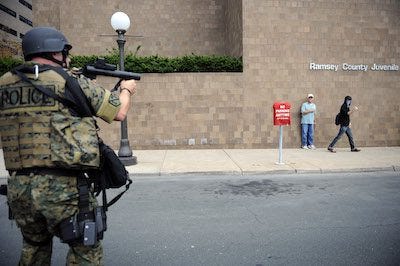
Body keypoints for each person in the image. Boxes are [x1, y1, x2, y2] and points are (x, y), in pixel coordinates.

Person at [0, 27, 137, 265]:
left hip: (19, 188)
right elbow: (118, 111)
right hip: (64, 188)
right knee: (85, 248)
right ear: (56, 52)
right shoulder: (68, 81)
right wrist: (126, 89)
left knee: (33, 249)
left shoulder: (4, 83)